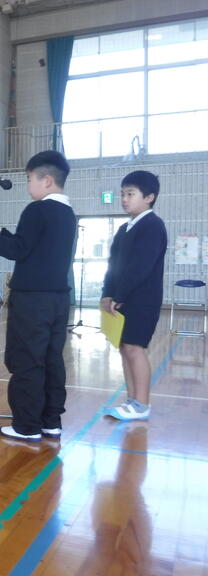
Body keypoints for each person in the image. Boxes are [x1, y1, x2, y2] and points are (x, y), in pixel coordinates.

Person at [0, 150, 76, 442]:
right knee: (51, 359)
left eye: (29, 179)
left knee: (27, 360)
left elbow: (17, 251)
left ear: (46, 180)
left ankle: (27, 425)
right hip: (57, 300)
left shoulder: (36, 210)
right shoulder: (67, 213)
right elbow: (32, 248)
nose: (28, 186)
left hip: (32, 301)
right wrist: (1, 232)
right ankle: (50, 421)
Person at [101, 170, 166, 421]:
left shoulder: (153, 226)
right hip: (122, 299)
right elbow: (113, 265)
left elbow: (141, 267)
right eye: (122, 194)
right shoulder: (124, 229)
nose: (124, 199)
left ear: (149, 197)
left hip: (142, 301)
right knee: (125, 348)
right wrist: (108, 293)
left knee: (134, 348)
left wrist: (120, 294)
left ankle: (141, 404)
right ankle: (131, 400)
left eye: (130, 194)